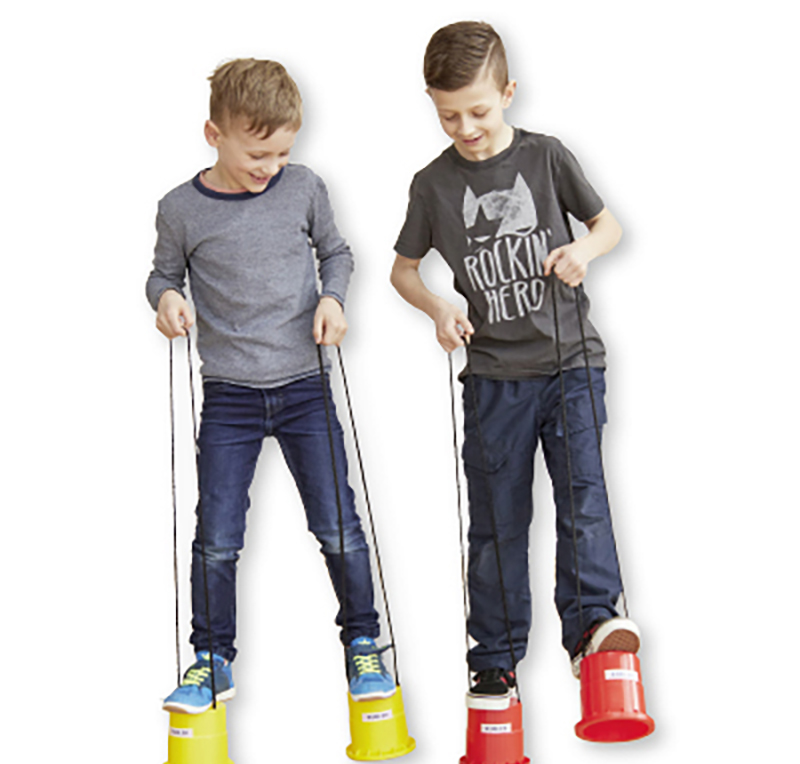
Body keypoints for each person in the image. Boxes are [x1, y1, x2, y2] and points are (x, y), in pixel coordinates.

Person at [390, 22, 640, 696]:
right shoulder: (432, 186)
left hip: (570, 365)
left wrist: (583, 251)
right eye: (448, 115)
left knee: (583, 499)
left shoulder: (548, 157)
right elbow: (403, 271)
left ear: (508, 93)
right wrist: (438, 307)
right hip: (494, 381)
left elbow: (609, 225)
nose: (465, 128)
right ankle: (495, 654)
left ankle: (592, 627)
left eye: (478, 111)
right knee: (498, 520)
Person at [147, 58, 393, 713]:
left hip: (305, 388)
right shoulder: (179, 209)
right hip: (229, 396)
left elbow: (337, 252)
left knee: (338, 525)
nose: (271, 166)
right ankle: (211, 659)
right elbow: (161, 275)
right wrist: (166, 298)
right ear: (214, 135)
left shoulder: (304, 187)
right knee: (217, 535)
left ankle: (363, 643)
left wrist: (334, 299)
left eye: (283, 152)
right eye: (258, 154)